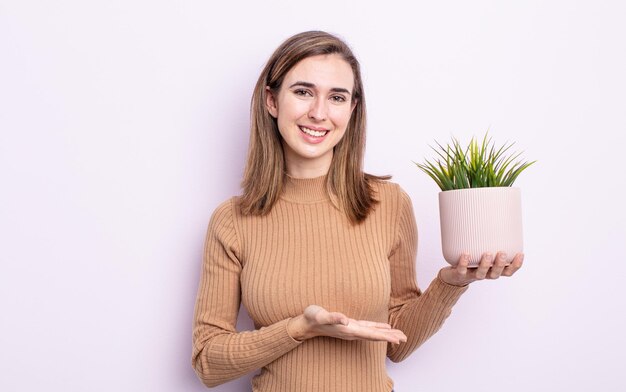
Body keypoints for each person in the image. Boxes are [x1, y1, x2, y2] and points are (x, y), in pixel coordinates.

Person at [191, 30, 523, 391]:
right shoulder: (233, 220)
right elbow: (208, 362)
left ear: (352, 109)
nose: (319, 113)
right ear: (271, 101)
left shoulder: (388, 204)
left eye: (336, 97)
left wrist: (451, 284)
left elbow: (398, 342)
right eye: (303, 92)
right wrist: (299, 328)